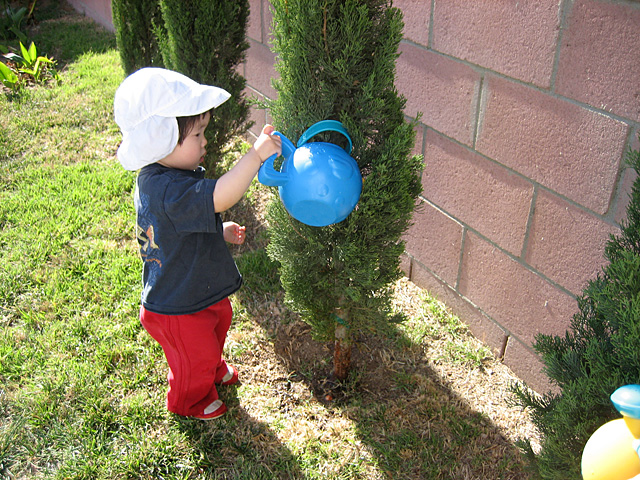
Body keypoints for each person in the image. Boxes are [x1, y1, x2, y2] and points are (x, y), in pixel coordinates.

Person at [113, 67, 282, 420]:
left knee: (218, 321)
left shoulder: (166, 176)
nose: (205, 142)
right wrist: (255, 157)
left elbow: (175, 230)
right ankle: (188, 399)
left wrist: (217, 233)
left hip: (194, 287)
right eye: (198, 135)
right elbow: (219, 197)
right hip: (176, 305)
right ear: (161, 140)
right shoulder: (167, 190)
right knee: (194, 351)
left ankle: (209, 366)